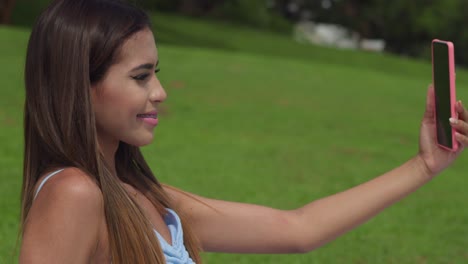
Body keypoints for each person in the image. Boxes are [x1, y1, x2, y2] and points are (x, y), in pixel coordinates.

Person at [18, 0, 468, 263]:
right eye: (140, 77)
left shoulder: (144, 196)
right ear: (80, 86)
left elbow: (298, 229)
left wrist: (424, 166)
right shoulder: (74, 193)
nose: (159, 92)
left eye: (157, 73)